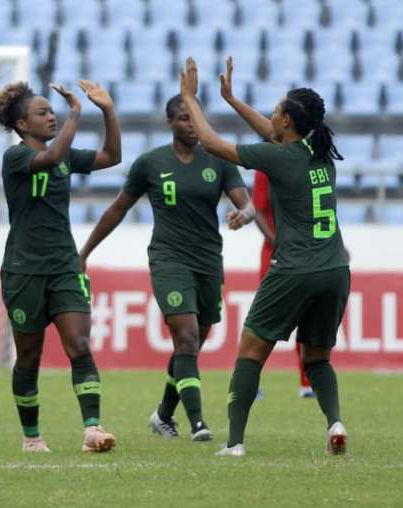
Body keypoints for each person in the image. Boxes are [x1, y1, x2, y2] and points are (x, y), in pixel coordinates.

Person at [180, 56, 350, 456]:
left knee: (251, 350)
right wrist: (233, 99)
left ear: (288, 121)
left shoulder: (279, 158)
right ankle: (335, 423)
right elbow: (271, 134)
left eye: (276, 110)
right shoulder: (321, 154)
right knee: (318, 357)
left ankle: (235, 443)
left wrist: (191, 99)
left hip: (295, 268)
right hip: (336, 268)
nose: (271, 114)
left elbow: (211, 143)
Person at [79, 94, 255, 442]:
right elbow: (118, 209)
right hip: (168, 260)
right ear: (170, 123)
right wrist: (84, 251)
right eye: (184, 119)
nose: (192, 125)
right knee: (186, 338)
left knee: (192, 344)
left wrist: (244, 215)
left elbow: (246, 203)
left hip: (208, 262)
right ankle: (198, 423)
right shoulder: (150, 163)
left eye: (196, 118)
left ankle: (162, 415)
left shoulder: (218, 160)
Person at [0, 80, 121, 453]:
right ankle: (32, 436)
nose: (52, 117)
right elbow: (48, 159)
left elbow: (112, 156)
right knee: (29, 358)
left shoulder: (62, 154)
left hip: (65, 265)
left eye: (53, 111)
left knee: (79, 345)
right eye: (43, 112)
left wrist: (108, 111)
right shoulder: (14, 158)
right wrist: (76, 114)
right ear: (21, 125)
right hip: (23, 271)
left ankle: (93, 430)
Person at [252, 171, 314, 399]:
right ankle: (250, 380)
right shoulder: (264, 168)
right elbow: (257, 210)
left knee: (307, 316)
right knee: (263, 318)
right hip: (274, 253)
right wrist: (278, 242)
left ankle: (307, 382)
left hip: (304, 252)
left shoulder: (306, 161)